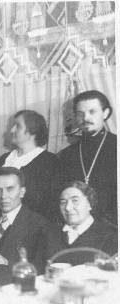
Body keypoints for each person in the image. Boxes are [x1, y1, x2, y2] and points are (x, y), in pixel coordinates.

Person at [58, 90, 117, 226]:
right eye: (80, 114)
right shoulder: (66, 155)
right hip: (74, 225)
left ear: (106, 113)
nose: (85, 118)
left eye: (92, 112)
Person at [0, 110, 61, 221]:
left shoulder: (49, 161)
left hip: (32, 224)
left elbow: (51, 205)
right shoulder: (4, 159)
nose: (12, 130)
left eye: (18, 126)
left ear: (32, 132)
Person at [0, 167, 48, 274]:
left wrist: (9, 264)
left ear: (22, 192)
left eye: (10, 189)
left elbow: (41, 269)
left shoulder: (39, 224)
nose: (3, 196)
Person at [43, 181, 117, 266]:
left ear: (90, 204)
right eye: (63, 202)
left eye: (75, 201)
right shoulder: (48, 233)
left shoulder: (111, 237)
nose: (68, 208)